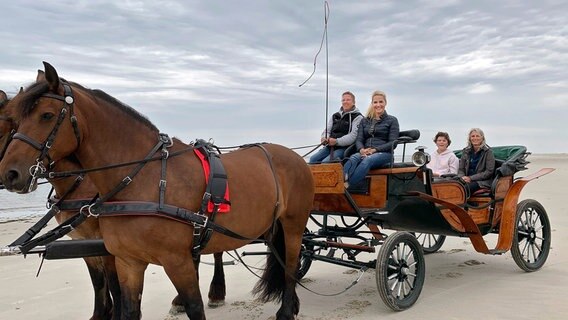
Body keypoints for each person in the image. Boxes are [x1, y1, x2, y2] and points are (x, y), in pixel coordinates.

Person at [343, 90, 399, 188]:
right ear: (372, 104)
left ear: (385, 103)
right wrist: (361, 150)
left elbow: (393, 143)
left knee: (367, 160)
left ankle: (348, 186)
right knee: (353, 158)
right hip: (366, 151)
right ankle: (342, 183)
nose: (378, 105)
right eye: (375, 102)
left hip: (385, 154)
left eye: (381, 102)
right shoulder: (365, 121)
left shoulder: (392, 120)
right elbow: (359, 140)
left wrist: (375, 150)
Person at [309, 91, 363, 163]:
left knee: (325, 162)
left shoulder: (358, 117)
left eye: (348, 100)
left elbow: (353, 136)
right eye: (343, 100)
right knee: (312, 160)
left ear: (353, 102)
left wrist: (336, 141)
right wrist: (324, 138)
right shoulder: (335, 116)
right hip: (330, 147)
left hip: (345, 148)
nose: (345, 102)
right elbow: (327, 131)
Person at [457, 128, 496, 195]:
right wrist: (462, 178)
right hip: (465, 179)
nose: (475, 138)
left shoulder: (488, 152)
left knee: (464, 189)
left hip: (481, 181)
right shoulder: (466, 151)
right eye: (473, 136)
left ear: (482, 138)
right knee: (452, 186)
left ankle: (466, 205)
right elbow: (461, 169)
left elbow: (489, 172)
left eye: (477, 136)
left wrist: (470, 178)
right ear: (470, 138)